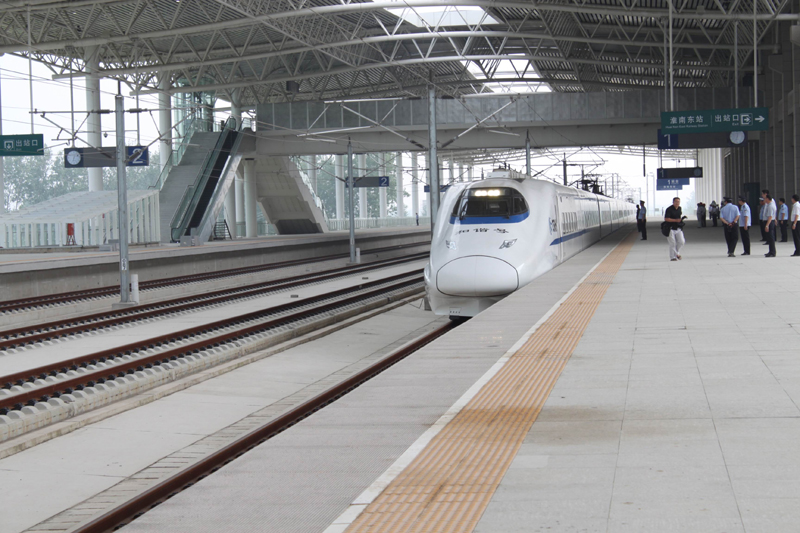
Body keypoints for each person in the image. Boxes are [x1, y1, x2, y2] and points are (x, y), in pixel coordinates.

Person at [665, 197, 685, 261]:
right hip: (670, 228)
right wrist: (675, 220)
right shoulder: (669, 209)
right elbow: (666, 219)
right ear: (673, 202)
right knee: (672, 243)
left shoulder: (679, 208)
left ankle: (676, 253)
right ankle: (673, 257)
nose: (677, 203)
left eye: (678, 202)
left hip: (678, 228)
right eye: (676, 202)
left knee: (681, 241)